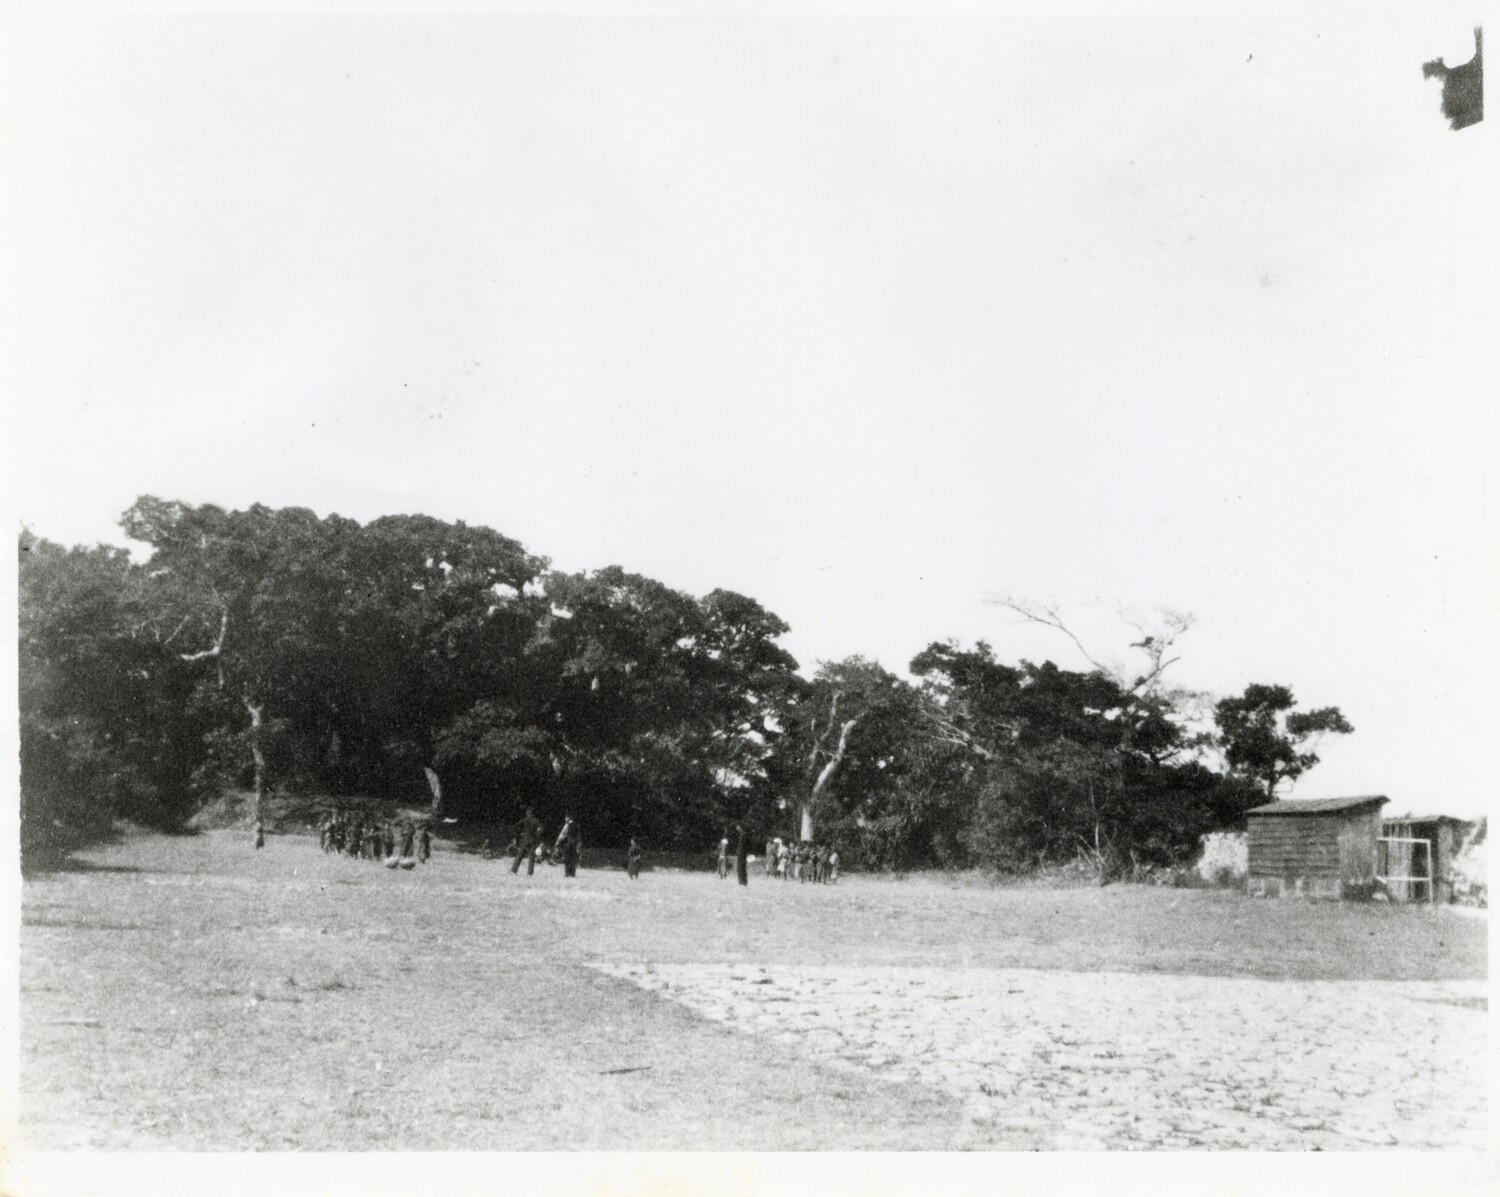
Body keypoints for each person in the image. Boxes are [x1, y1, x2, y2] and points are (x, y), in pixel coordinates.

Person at [512, 807, 543, 875]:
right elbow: (540, 830)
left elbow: (516, 827)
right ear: (533, 813)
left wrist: (519, 834)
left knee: (520, 855)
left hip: (525, 839)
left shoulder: (524, 820)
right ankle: (530, 872)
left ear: (527, 813)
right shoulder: (536, 821)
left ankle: (514, 869)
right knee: (532, 857)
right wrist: (537, 838)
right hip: (532, 840)